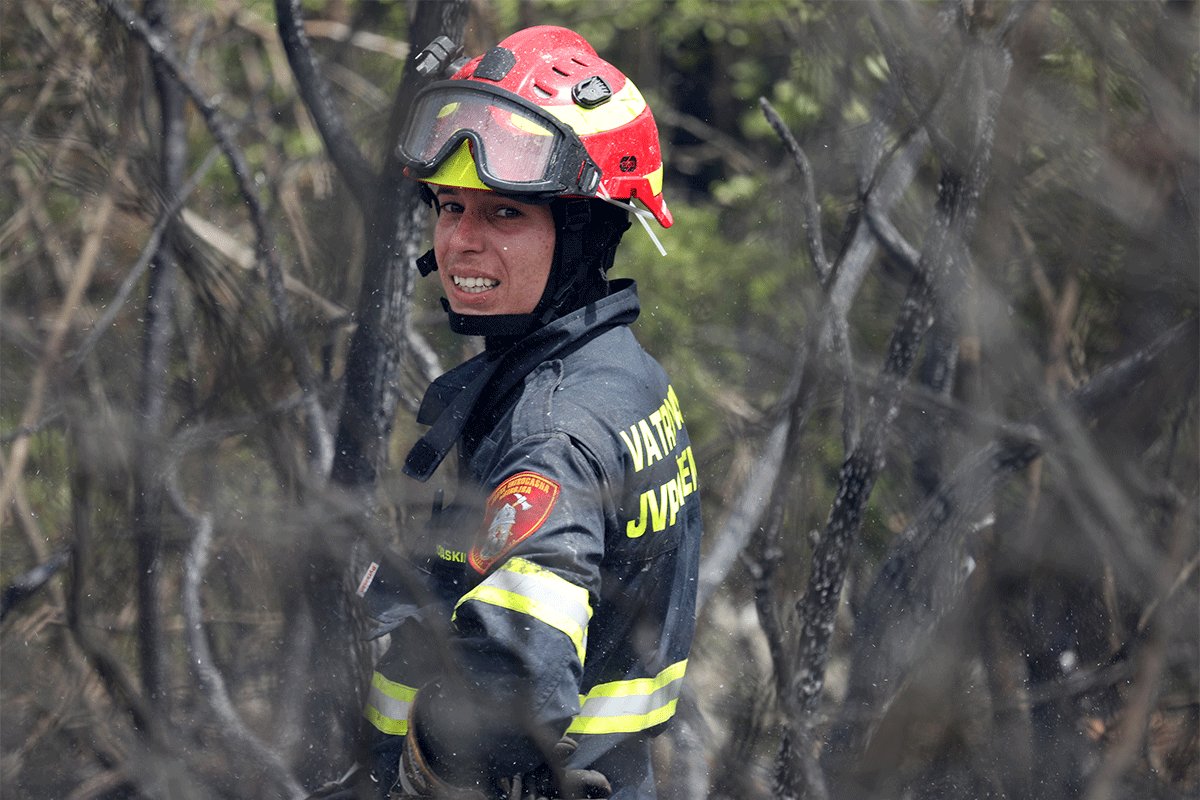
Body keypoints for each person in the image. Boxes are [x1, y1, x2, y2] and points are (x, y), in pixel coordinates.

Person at [357, 25, 702, 800]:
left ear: (582, 234)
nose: (460, 243)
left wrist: (423, 776)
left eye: (504, 216)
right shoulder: (622, 376)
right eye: (450, 207)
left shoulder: (553, 430)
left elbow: (513, 689)